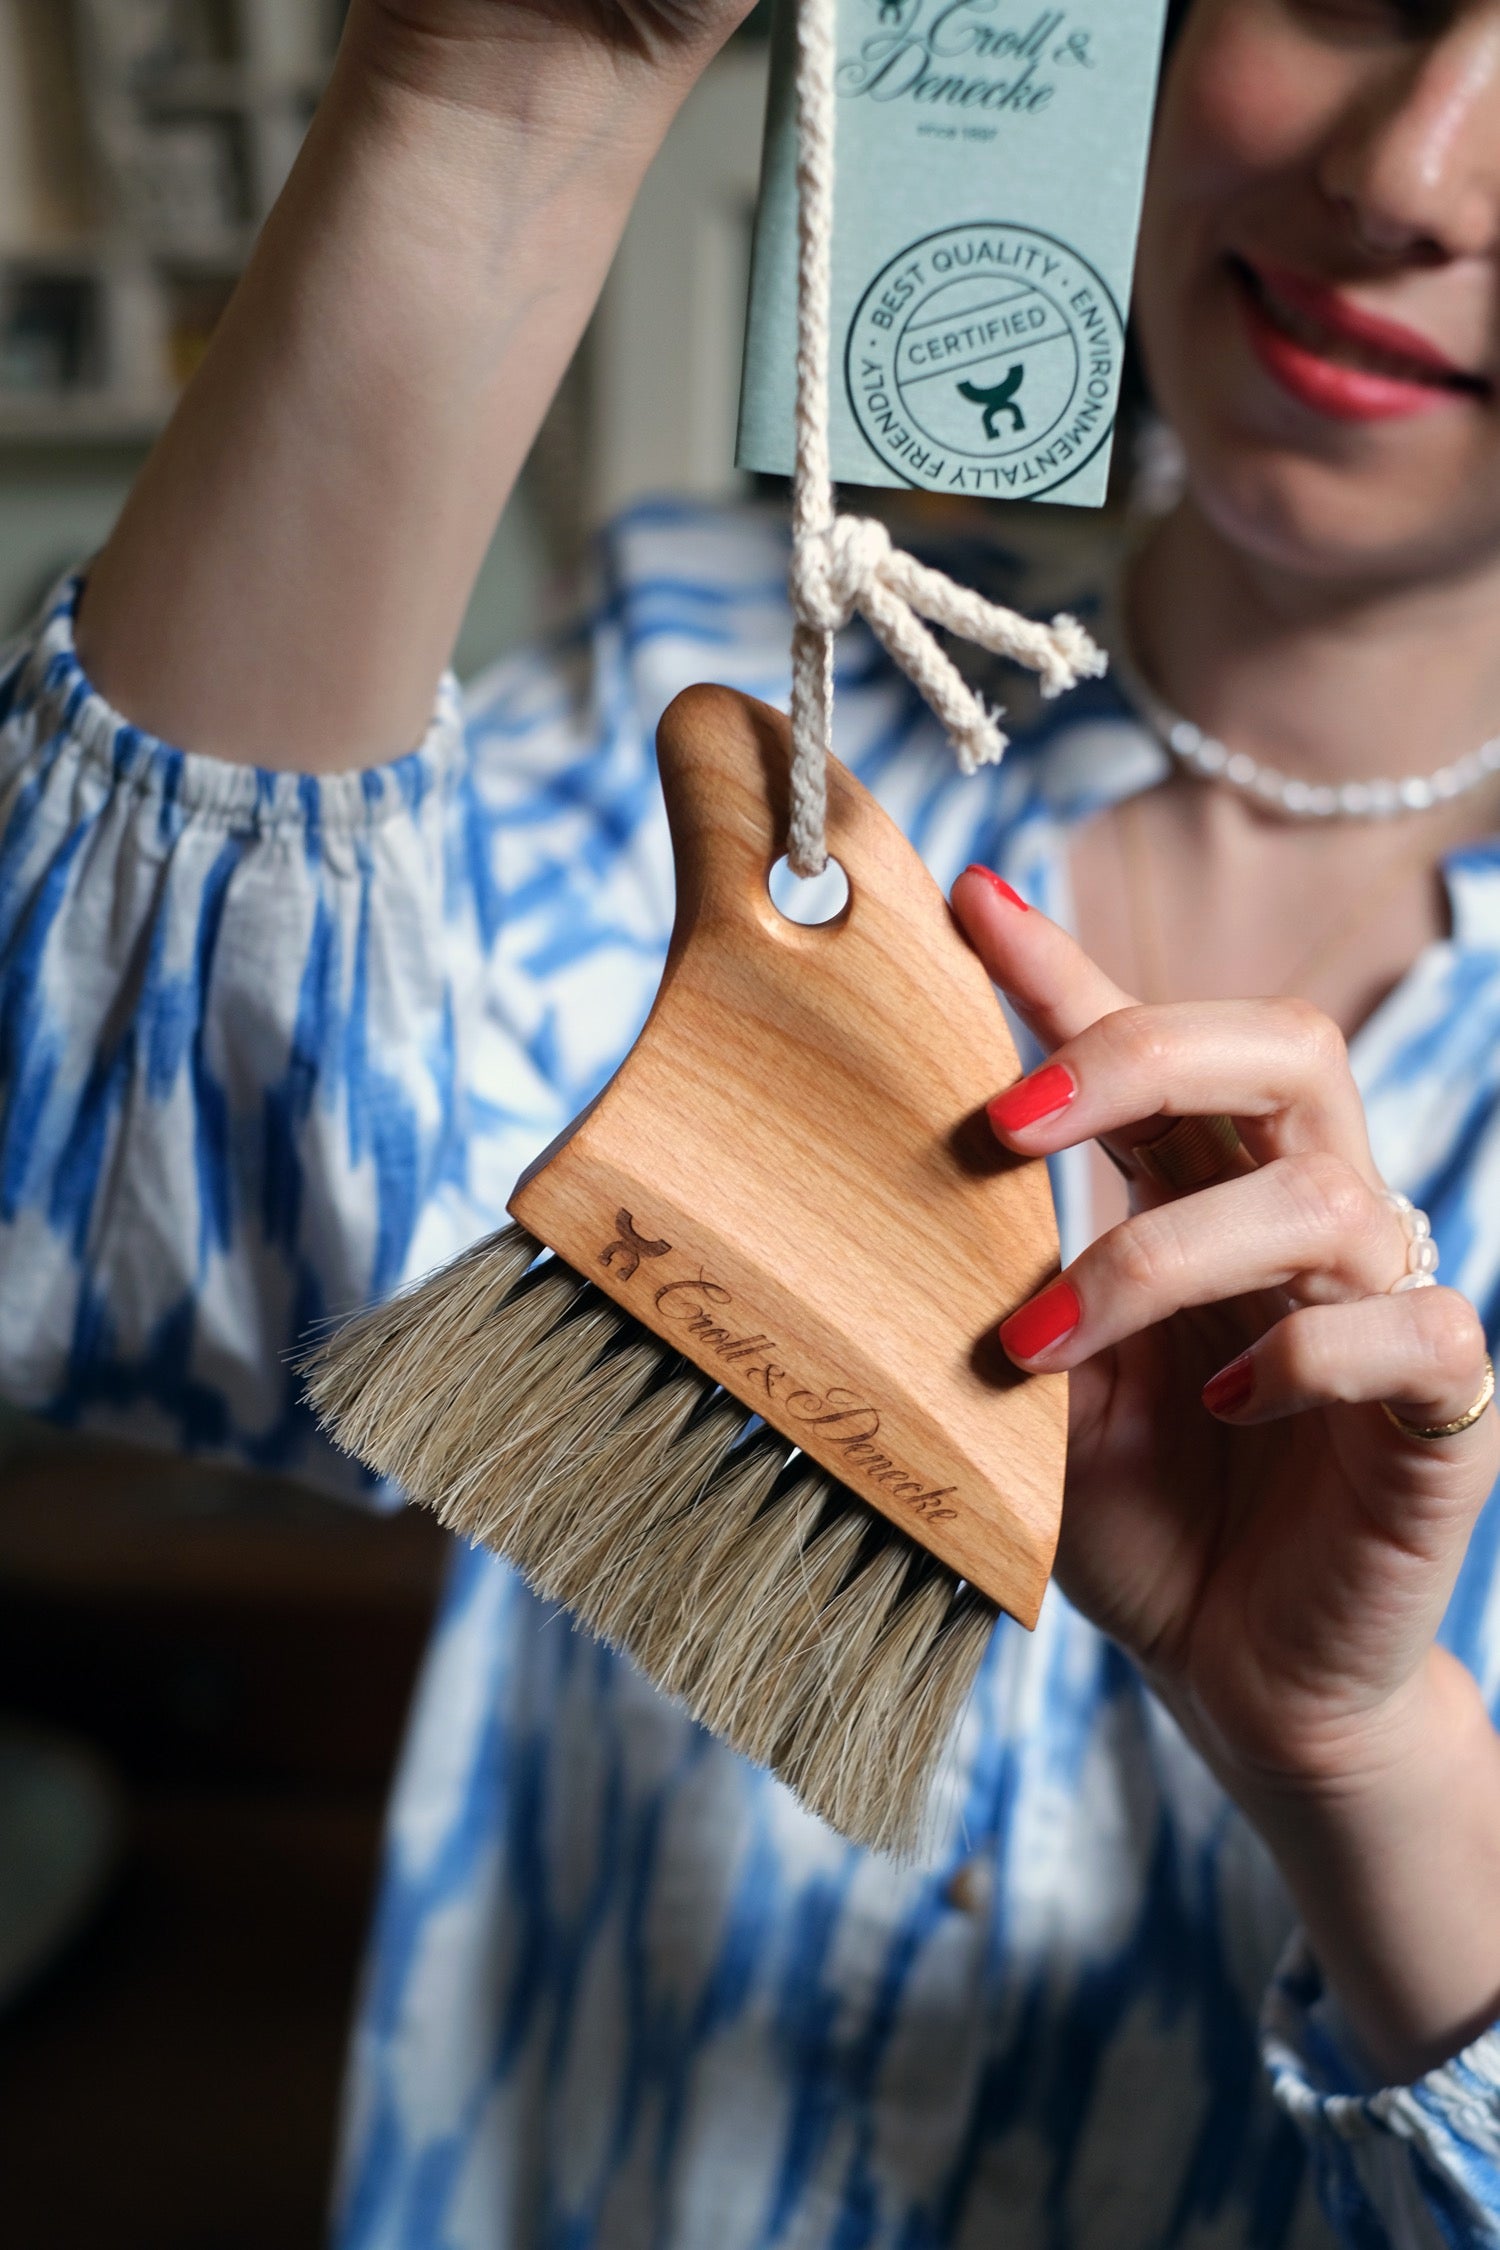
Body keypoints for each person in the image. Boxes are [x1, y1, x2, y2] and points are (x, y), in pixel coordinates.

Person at [4, 0, 1500, 2239]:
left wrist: (1363, 1764)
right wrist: (487, 85)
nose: (1413, 165)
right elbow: (100, 1216)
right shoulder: (703, 691)